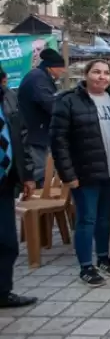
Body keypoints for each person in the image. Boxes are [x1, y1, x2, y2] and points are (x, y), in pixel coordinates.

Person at [49, 60, 110, 287]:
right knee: (86, 219)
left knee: (103, 218)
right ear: (86, 74)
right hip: (84, 173)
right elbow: (58, 141)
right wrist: (68, 175)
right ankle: (85, 266)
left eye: (106, 73)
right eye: (96, 72)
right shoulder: (69, 101)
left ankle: (102, 257)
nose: (101, 77)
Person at [0, 78, 37, 309]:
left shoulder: (9, 97)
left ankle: (3, 292)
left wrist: (28, 175)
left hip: (4, 183)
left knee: (7, 243)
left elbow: (21, 137)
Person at [18, 48, 66, 187]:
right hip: (35, 135)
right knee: (41, 173)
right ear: (51, 67)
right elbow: (50, 103)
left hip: (39, 132)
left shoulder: (40, 76)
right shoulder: (38, 78)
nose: (63, 71)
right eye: (61, 68)